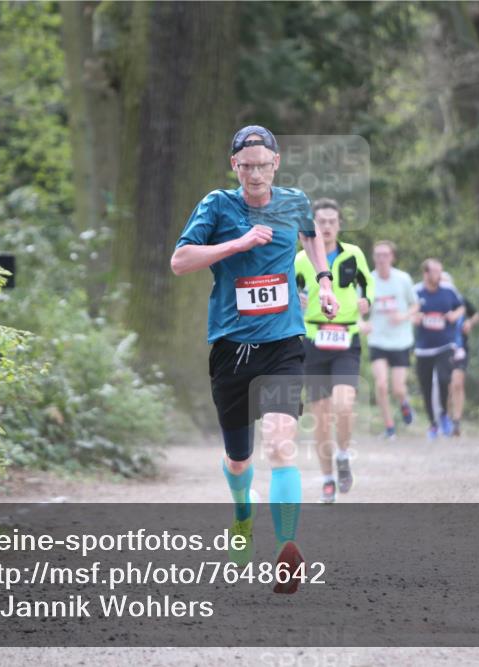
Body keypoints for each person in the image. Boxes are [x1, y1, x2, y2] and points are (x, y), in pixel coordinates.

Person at [170, 126, 339, 594]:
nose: (256, 174)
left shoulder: (294, 201)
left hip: (283, 344)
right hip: (232, 349)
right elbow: (180, 262)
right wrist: (237, 244)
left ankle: (286, 549)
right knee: (239, 460)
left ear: (276, 163)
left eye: (264, 165)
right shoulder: (217, 206)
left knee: (281, 442)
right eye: (247, 166)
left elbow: (310, 238)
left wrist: (324, 281)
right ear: (235, 166)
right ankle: (243, 513)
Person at [295, 198, 373, 504]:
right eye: (321, 222)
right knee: (321, 416)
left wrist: (368, 301)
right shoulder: (301, 259)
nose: (326, 227)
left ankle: (342, 455)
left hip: (346, 338)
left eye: (331, 221)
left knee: (344, 403)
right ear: (313, 226)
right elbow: (290, 290)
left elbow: (368, 284)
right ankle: (327, 480)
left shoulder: (353, 254)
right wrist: (296, 299)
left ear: (339, 224)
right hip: (313, 339)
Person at [366, 240, 418, 440]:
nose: (381, 259)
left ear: (392, 257)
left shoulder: (403, 279)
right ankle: (389, 428)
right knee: (381, 384)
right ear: (373, 258)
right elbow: (358, 306)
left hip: (400, 341)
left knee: (398, 389)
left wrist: (403, 316)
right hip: (377, 339)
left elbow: (415, 305)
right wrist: (362, 323)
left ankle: (404, 403)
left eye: (385, 255)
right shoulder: (368, 279)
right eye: (378, 255)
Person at [413, 259, 464, 440]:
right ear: (426, 273)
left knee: (444, 379)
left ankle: (443, 414)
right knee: (425, 386)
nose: (439, 275)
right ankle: (432, 424)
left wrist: (454, 315)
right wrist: (415, 317)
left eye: (440, 271)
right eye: (435, 272)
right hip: (423, 348)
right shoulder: (416, 291)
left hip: (445, 345)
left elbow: (461, 307)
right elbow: (408, 311)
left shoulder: (448, 290)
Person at [447, 287, 479, 437]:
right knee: (445, 385)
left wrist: (469, 323)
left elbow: (476, 314)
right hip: (441, 349)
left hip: (460, 348)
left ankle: (456, 421)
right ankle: (444, 419)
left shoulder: (460, 300)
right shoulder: (434, 300)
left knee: (457, 383)